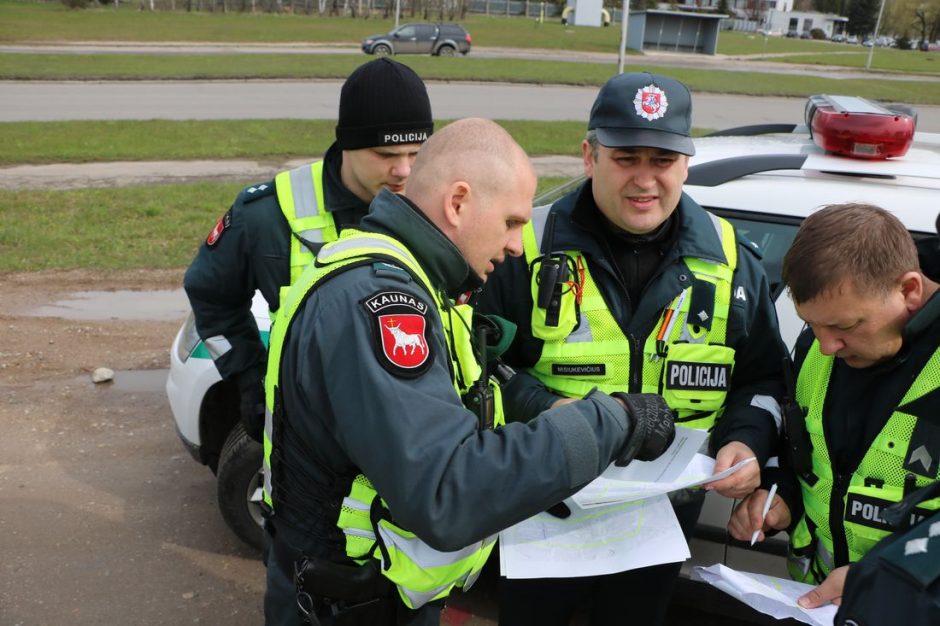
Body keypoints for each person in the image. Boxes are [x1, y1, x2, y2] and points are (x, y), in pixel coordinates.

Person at [262, 118, 679, 626]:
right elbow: (447, 490)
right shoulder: (380, 303)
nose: (518, 246)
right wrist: (612, 420)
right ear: (457, 203)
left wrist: (545, 408)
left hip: (374, 599)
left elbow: (465, 394)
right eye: (511, 222)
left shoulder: (425, 282)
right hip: (345, 606)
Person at [475, 72, 787, 626]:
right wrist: (543, 409)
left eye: (663, 161)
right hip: (546, 514)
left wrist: (746, 441)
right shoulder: (523, 247)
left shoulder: (732, 258)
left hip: (661, 526)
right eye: (626, 158)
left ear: (685, 164)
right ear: (589, 155)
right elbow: (476, 367)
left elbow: (763, 379)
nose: (645, 180)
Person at [183, 58, 434, 443]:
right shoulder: (268, 214)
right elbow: (210, 295)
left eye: (416, 154)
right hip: (312, 434)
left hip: (415, 429)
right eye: (386, 155)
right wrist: (249, 378)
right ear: (347, 143)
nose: (404, 171)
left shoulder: (441, 202)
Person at [728, 203, 940, 610]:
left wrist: (882, 578)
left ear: (909, 290)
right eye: (812, 324)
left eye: (844, 327)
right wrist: (781, 497)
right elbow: (802, 451)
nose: (827, 346)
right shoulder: (817, 350)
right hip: (818, 605)